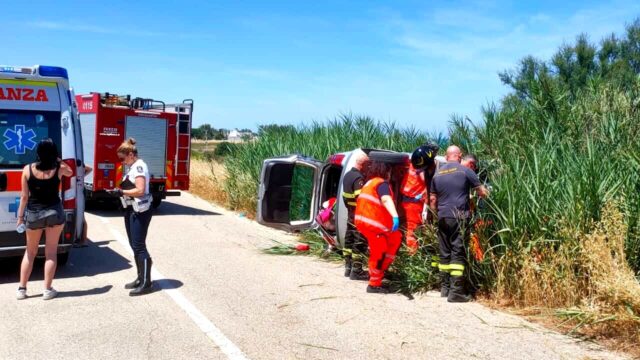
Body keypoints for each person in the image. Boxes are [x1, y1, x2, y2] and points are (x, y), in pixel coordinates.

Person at [16, 139, 73, 300]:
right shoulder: (59, 168)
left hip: (33, 214)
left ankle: (22, 289)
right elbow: (70, 172)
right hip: (54, 213)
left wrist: (20, 218)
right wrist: (59, 159)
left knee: (30, 252)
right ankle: (47, 290)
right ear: (54, 153)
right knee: (51, 253)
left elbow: (24, 197)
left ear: (38, 152)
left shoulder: (27, 169)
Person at [430, 146, 489, 302]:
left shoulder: (438, 174)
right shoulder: (465, 171)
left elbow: (432, 200)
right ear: (460, 156)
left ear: (446, 156)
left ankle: (445, 288)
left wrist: (438, 214)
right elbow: (482, 192)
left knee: (444, 250)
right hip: (459, 216)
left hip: (442, 216)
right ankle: (456, 292)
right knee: (458, 250)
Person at [108, 138, 155, 296]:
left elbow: (140, 190)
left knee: (139, 245)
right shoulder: (132, 167)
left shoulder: (139, 166)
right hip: (131, 209)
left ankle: (146, 283)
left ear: (130, 154)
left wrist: (121, 192)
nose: (121, 162)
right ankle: (140, 277)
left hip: (140, 210)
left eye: (122, 158)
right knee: (134, 245)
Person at [354, 160, 402, 294]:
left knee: (396, 238)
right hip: (373, 225)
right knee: (379, 252)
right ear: (385, 171)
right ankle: (374, 284)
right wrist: (395, 216)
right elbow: (386, 199)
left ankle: (381, 272)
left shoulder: (369, 182)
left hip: (367, 223)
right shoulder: (381, 184)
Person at [400, 144, 438, 255]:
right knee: (413, 230)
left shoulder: (412, 162)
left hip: (408, 199)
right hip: (414, 201)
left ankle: (415, 253)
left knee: (414, 228)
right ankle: (413, 255)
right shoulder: (422, 166)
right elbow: (425, 180)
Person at [341, 151, 369, 280]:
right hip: (358, 214)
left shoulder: (347, 175)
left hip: (350, 213)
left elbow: (345, 196)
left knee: (349, 240)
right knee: (359, 242)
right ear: (362, 164)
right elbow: (360, 198)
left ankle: (348, 268)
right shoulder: (359, 178)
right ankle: (357, 271)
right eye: (367, 165)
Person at [74, 165, 93, 248]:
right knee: (78, 217)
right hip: (74, 194)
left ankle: (84, 240)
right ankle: (79, 239)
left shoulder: (79, 172)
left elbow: (90, 168)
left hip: (80, 194)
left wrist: (80, 164)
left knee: (82, 218)